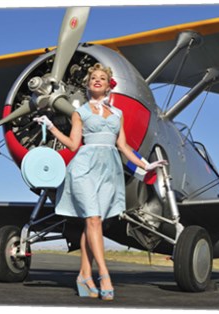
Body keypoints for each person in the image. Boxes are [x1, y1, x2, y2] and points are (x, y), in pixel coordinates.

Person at [33, 63, 166, 301]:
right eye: (93, 77)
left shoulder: (118, 115)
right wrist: (51, 126)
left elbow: (123, 146)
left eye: (101, 78)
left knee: (93, 224)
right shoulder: (80, 112)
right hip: (84, 168)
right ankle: (104, 274)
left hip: (109, 171)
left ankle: (83, 277)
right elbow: (74, 145)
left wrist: (147, 166)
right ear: (88, 84)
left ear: (108, 85)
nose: (97, 80)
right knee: (93, 220)